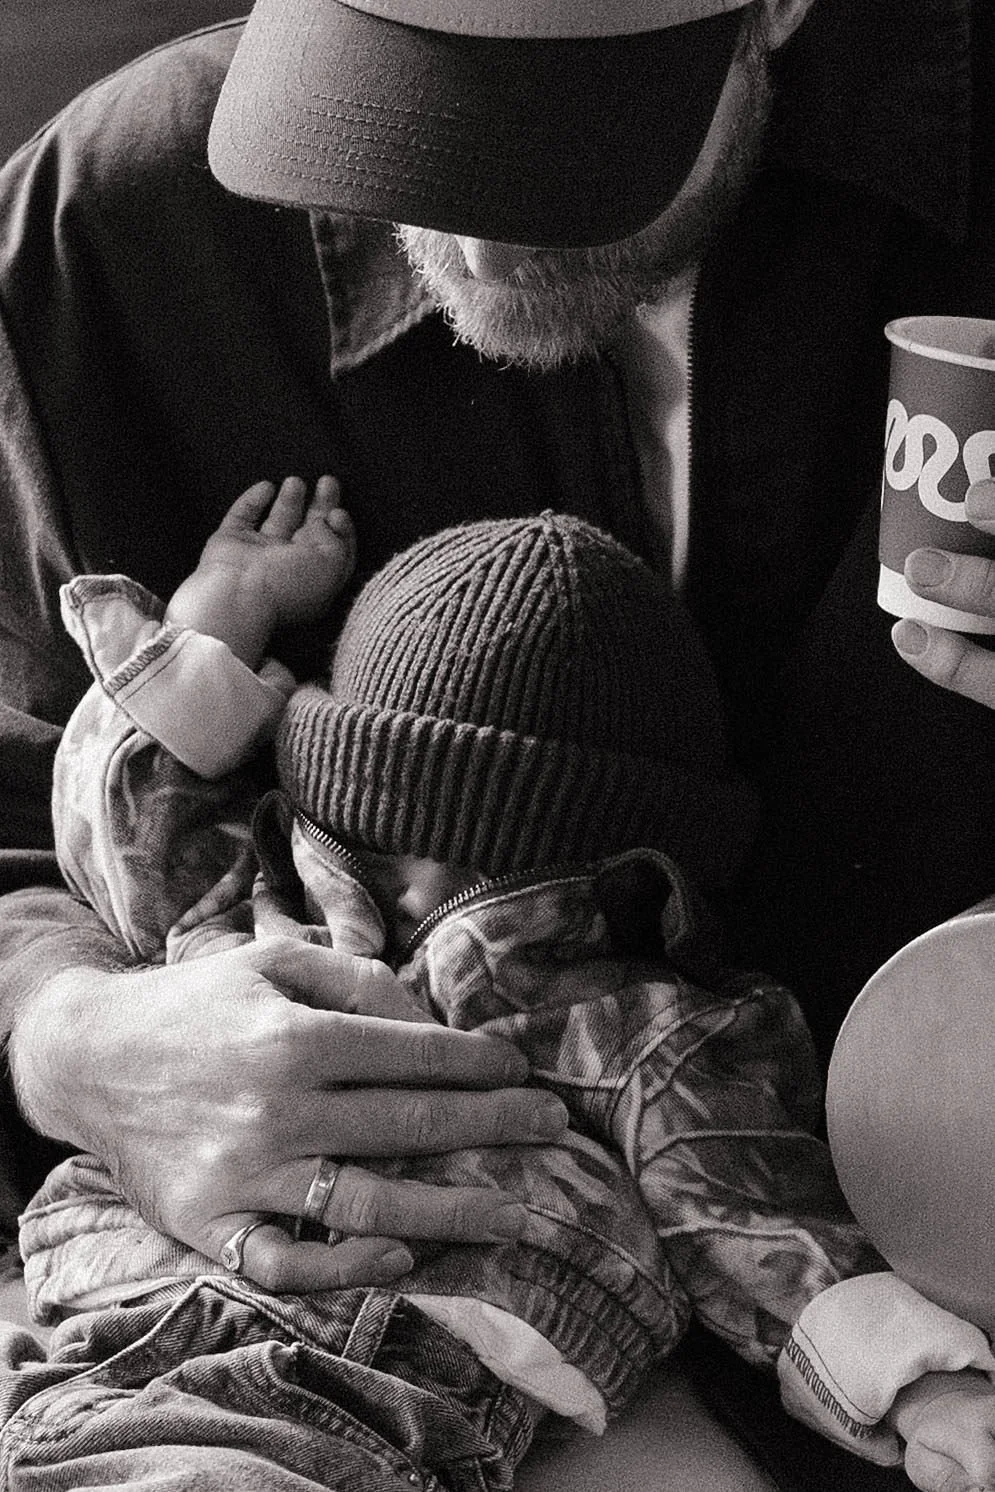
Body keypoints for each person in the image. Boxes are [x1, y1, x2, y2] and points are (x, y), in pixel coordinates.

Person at [0, 0, 994, 1486]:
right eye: (383, 116)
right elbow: (30, 804)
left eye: (551, 139)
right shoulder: (109, 235)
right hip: (191, 1329)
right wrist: (67, 1039)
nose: (458, 243)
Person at [13, 472, 984, 1489]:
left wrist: (923, 1386)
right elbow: (123, 830)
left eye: (471, 853)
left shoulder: (615, 1014)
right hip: (110, 1305)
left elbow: (745, 1202)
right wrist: (220, 613)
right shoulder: (264, 900)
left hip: (375, 1366)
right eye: (383, 839)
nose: (421, 885)